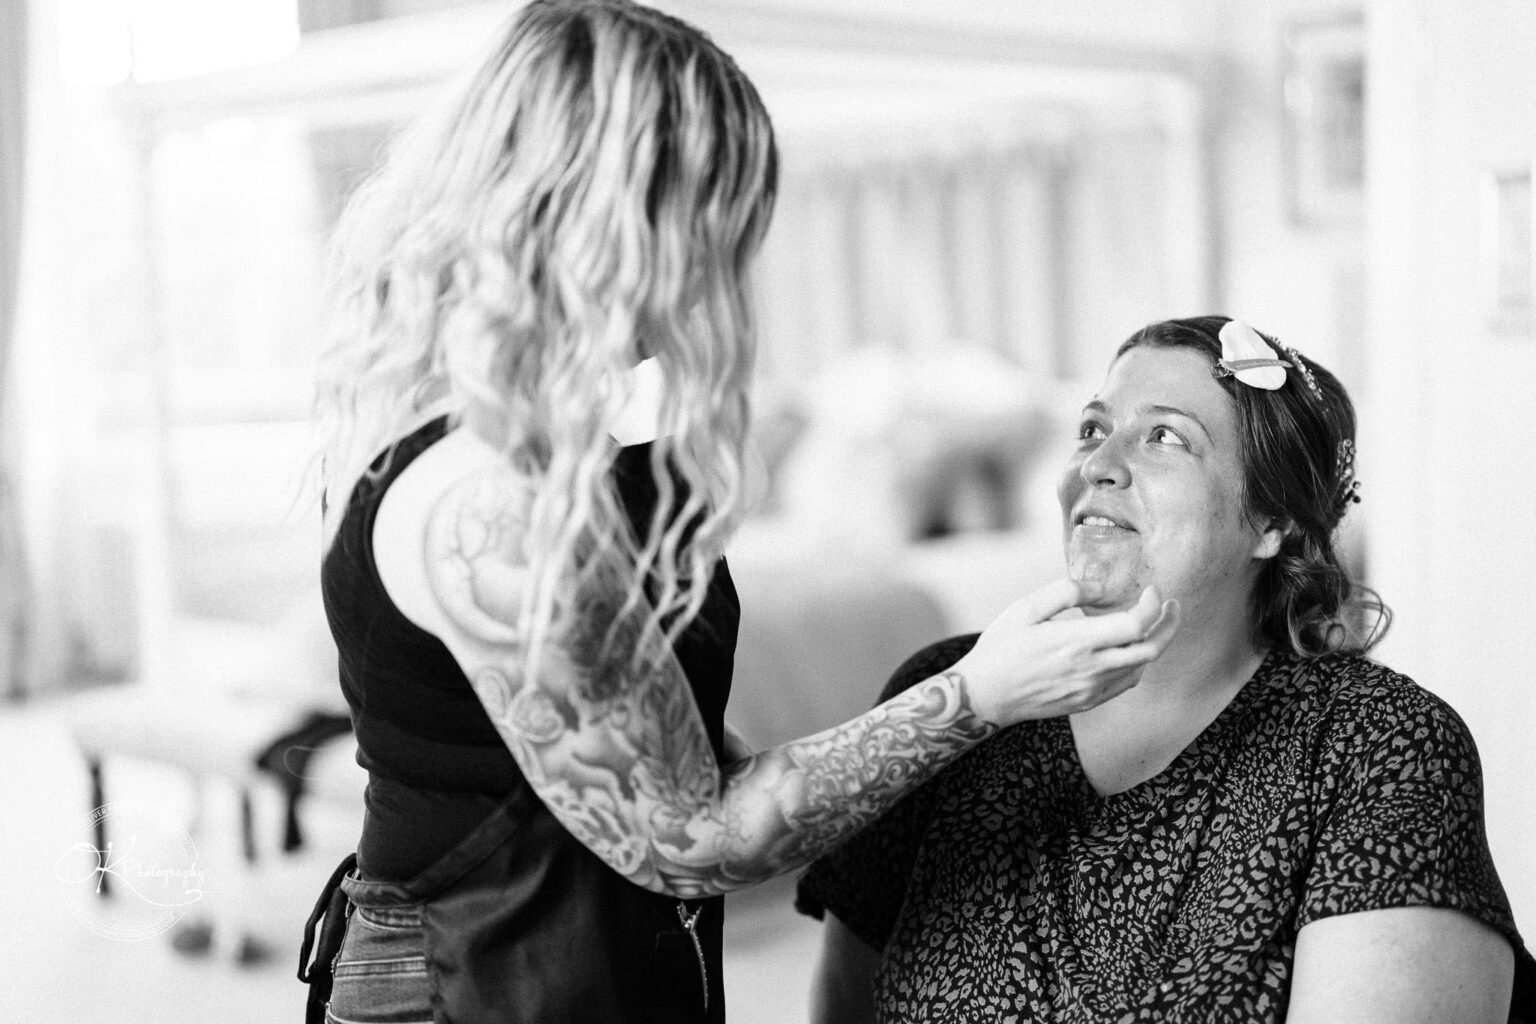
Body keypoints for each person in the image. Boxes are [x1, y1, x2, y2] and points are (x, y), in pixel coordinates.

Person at [298, 3, 1181, 1023]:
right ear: (613, 213)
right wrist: (979, 694)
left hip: (588, 958)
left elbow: (685, 763)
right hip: (474, 980)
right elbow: (695, 833)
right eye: (712, 224)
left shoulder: (533, 439)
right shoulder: (483, 507)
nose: (718, 275)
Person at [798, 315, 1535, 1023]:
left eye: (1165, 437)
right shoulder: (946, 695)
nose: (1096, 464)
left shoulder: (1380, 745)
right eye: (1092, 429)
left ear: (1272, 522)